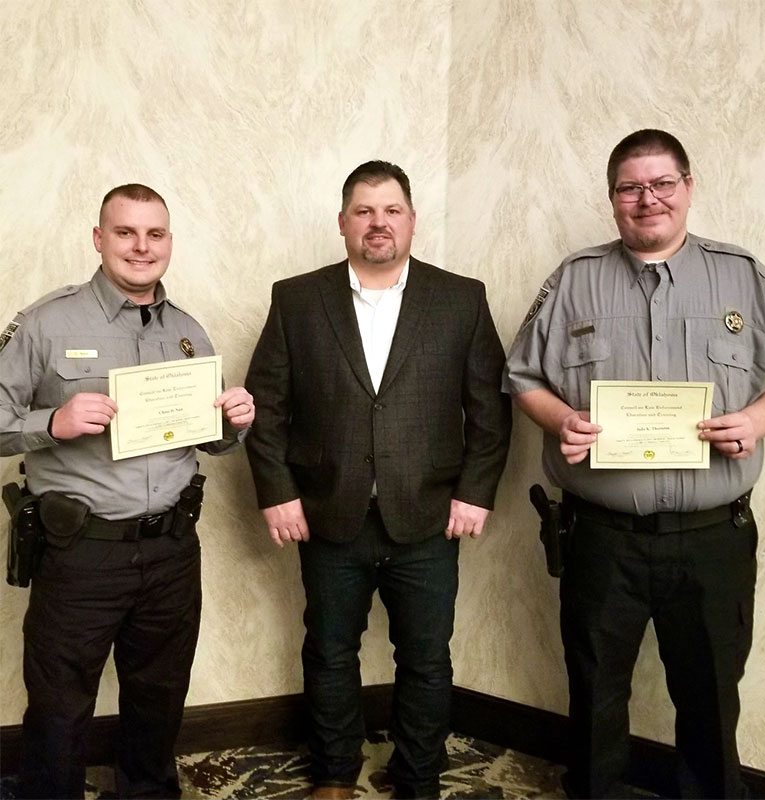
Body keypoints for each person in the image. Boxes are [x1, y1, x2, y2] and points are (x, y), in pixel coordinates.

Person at [504, 129, 765, 799]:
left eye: (662, 183)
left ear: (688, 188)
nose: (648, 199)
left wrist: (755, 419)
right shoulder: (573, 280)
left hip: (712, 538)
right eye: (631, 187)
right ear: (613, 199)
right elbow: (521, 376)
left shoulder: (742, 275)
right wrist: (563, 420)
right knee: (595, 693)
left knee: (712, 696)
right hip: (601, 538)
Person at [245, 161, 511, 799]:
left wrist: (475, 493)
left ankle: (417, 777)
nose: (378, 223)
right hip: (327, 513)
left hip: (427, 516)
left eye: (391, 210)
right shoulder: (297, 298)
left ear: (412, 220)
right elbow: (266, 406)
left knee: (426, 658)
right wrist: (278, 492)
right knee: (330, 651)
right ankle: (335, 774)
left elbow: (491, 408)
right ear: (342, 223)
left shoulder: (461, 298)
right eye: (364, 211)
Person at [0, 184, 255, 799]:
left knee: (160, 696)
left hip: (170, 549)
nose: (141, 247)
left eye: (155, 234)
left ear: (169, 242)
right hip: (80, 550)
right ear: (98, 238)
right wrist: (52, 424)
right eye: (125, 232)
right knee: (60, 706)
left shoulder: (190, 332)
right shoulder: (45, 322)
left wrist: (235, 423)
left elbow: (209, 443)